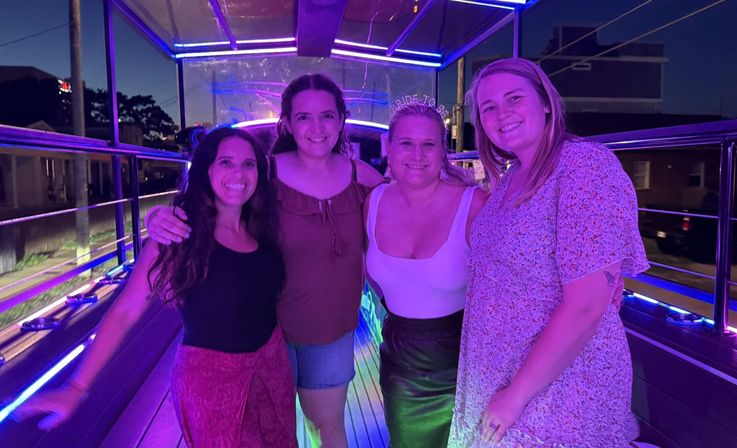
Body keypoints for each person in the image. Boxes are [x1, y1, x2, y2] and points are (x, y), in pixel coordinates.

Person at [14, 127, 296, 447]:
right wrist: (76, 388)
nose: (239, 174)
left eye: (249, 164)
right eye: (226, 162)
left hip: (272, 364)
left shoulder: (262, 225)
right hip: (212, 378)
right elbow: (126, 310)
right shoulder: (177, 234)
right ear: (206, 168)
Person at [144, 74, 384, 448]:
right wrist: (158, 216)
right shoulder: (263, 172)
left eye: (327, 116)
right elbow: (208, 200)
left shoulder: (361, 176)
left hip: (332, 331)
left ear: (342, 120)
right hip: (269, 335)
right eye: (304, 117)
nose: (316, 127)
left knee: (329, 428)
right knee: (274, 435)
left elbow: (411, 195)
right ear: (287, 122)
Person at [448, 58, 649, 448]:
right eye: (488, 107)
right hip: (503, 373)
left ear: (545, 103)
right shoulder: (510, 179)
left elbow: (586, 307)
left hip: (558, 388)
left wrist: (517, 394)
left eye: (514, 98)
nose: (501, 113)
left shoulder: (583, 167)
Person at [364, 102, 487, 447]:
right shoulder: (372, 202)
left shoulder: (474, 204)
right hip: (400, 360)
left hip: (463, 362)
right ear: (388, 147)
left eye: (429, 144)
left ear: (443, 150)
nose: (416, 154)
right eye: (405, 143)